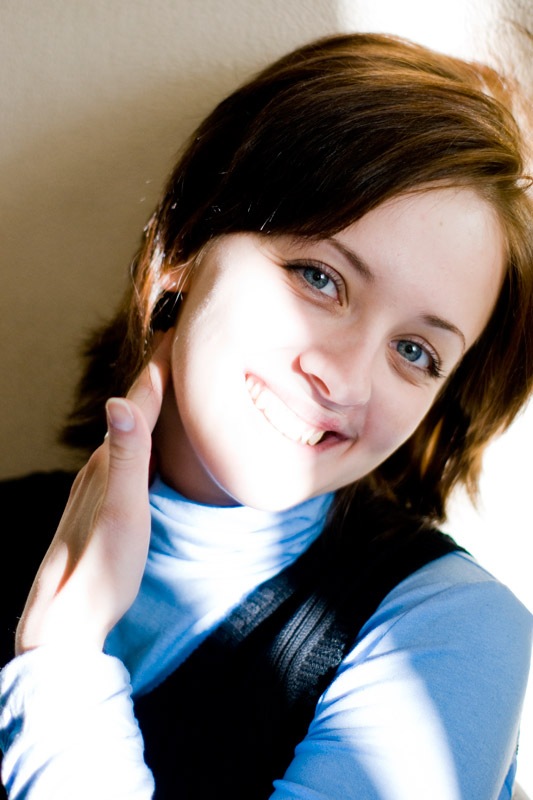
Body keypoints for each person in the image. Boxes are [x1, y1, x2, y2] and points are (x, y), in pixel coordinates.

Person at [0, 30, 532, 800]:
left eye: (414, 351)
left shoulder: (451, 634)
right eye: (319, 278)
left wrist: (62, 664)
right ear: (185, 246)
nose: (343, 378)